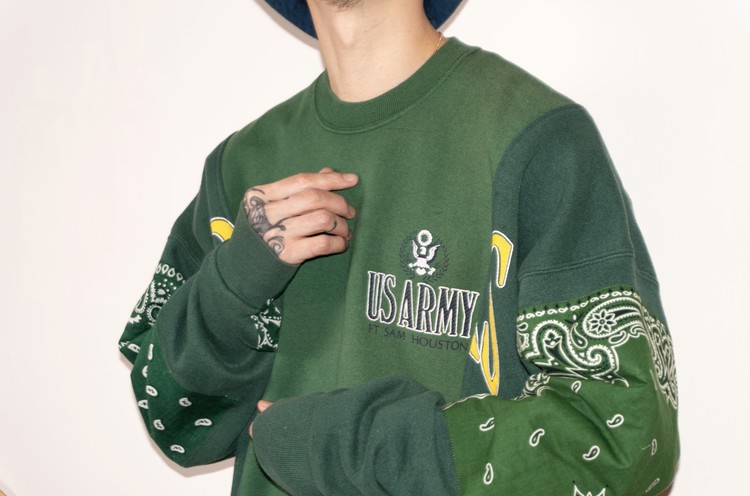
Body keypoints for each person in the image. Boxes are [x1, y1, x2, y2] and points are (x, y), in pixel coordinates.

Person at [119, 0, 679, 494]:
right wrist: (233, 282)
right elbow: (173, 421)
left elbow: (626, 439)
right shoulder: (242, 164)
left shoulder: (535, 140)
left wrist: (358, 445)